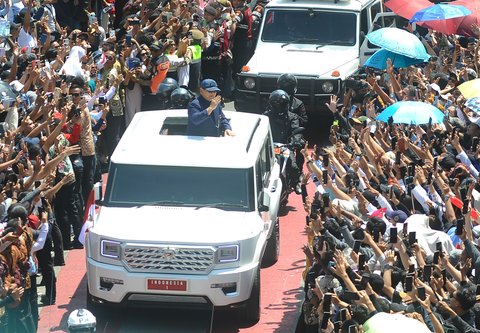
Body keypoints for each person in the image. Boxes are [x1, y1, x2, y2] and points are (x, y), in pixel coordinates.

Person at [263, 89, 303, 194]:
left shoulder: (293, 117)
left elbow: (296, 131)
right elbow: (261, 130)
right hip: (269, 147)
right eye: (277, 105)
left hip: (286, 147)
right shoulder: (266, 116)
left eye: (282, 104)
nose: (279, 107)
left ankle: (296, 183)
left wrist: (295, 141)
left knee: (293, 166)